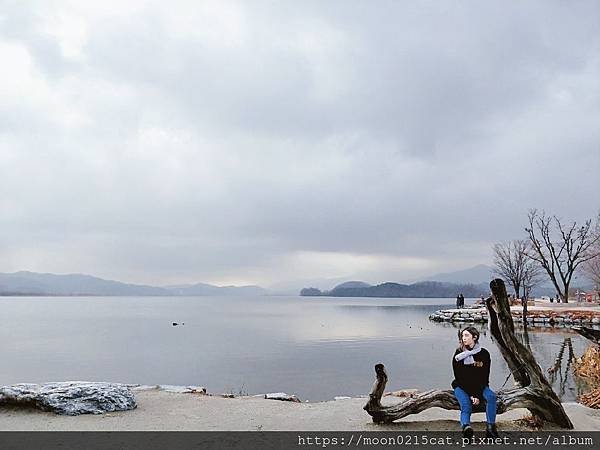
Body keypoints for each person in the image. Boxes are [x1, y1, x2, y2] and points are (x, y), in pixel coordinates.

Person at [451, 326, 499, 439]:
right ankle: (466, 428)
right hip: (461, 386)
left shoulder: (484, 354)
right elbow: (459, 377)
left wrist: (479, 394)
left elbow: (484, 376)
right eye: (462, 336)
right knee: (466, 405)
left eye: (466, 335)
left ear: (475, 337)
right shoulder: (458, 354)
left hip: (480, 386)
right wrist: (472, 395)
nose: (464, 338)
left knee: (491, 397)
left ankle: (491, 430)